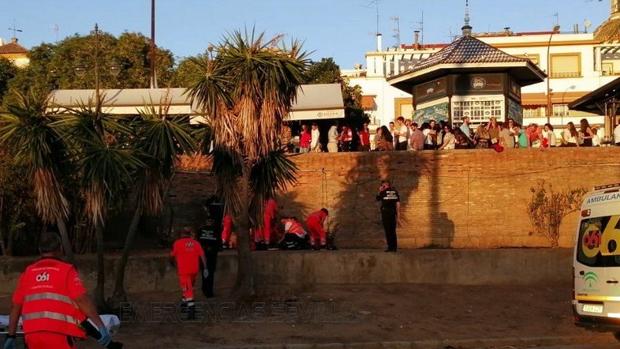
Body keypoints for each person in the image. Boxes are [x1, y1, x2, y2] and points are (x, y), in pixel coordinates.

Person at [4, 232, 112, 349]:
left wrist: (11, 336)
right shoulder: (66, 271)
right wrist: (100, 326)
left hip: (32, 336)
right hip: (58, 334)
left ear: (40, 249)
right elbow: (82, 300)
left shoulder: (28, 273)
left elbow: (15, 306)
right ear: (60, 248)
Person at [170, 228, 207, 319]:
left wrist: (172, 263)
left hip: (184, 270)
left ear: (181, 234)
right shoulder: (196, 243)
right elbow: (202, 255)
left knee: (187, 289)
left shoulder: (177, 243)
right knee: (188, 286)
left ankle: (191, 311)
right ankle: (184, 304)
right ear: (189, 234)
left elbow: (172, 256)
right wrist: (205, 268)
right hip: (194, 270)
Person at [198, 197, 224, 298]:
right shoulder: (215, 231)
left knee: (206, 272)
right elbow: (217, 241)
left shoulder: (202, 230)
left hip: (205, 253)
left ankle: (205, 289)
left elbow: (199, 240)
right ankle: (208, 291)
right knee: (210, 273)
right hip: (210, 253)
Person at [376, 180, 400, 252]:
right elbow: (398, 203)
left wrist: (380, 191)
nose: (383, 186)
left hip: (386, 213)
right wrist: (398, 214)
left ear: (386, 185)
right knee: (392, 230)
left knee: (388, 230)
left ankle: (390, 247)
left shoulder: (383, 192)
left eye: (383, 185)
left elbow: (377, 199)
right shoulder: (395, 192)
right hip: (392, 213)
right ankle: (394, 248)